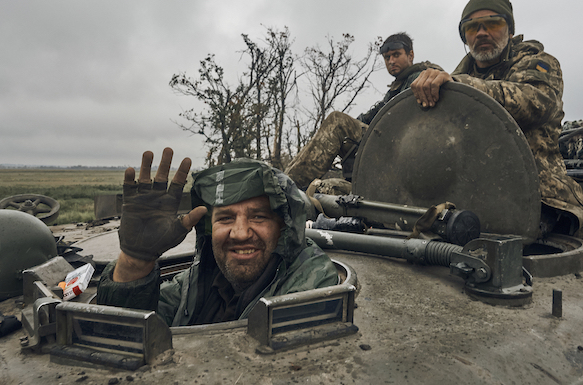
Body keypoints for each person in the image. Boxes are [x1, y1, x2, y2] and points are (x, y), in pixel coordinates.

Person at [410, 0, 583, 237]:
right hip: (467, 192)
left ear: (510, 30)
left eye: (493, 23)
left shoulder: (538, 63)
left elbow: (535, 103)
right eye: (472, 27)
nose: (482, 32)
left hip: (538, 195)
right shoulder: (456, 79)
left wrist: (460, 87)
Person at [97, 148, 339, 326]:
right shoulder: (194, 283)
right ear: (209, 229)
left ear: (283, 228)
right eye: (225, 218)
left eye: (258, 217)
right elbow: (123, 333)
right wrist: (135, 260)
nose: (241, 233)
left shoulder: (310, 282)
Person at [285, 32, 443, 189]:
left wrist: (346, 126)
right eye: (387, 58)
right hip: (389, 147)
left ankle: (287, 187)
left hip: (404, 150)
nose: (391, 61)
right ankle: (286, 179)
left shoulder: (420, 79)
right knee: (326, 186)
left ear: (410, 55)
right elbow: (371, 116)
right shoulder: (397, 87)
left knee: (338, 122)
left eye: (396, 55)